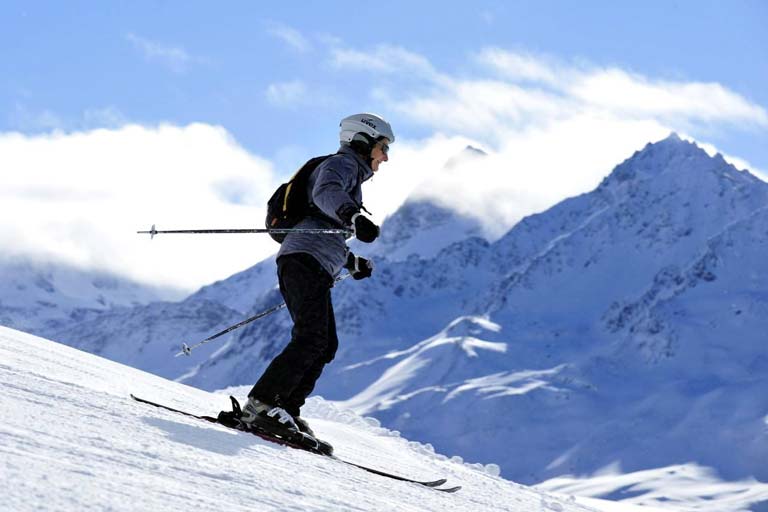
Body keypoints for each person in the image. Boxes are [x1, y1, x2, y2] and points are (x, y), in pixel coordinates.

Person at [240, 113, 394, 447]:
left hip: (313, 260)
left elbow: (326, 232)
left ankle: (286, 409)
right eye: (382, 147)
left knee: (325, 343)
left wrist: (350, 260)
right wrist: (352, 215)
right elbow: (326, 192)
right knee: (311, 337)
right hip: (303, 259)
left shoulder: (352, 173)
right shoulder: (343, 164)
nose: (385, 157)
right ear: (362, 141)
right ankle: (262, 405)